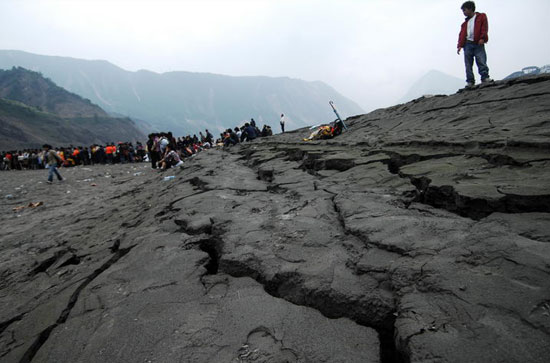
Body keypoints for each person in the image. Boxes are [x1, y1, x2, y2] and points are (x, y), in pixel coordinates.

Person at [457, 1, 492, 87]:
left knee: (481, 60)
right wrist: (460, 45)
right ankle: (470, 81)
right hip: (467, 44)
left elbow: (484, 28)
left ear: (470, 9)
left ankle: (485, 77)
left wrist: (482, 38)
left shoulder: (481, 17)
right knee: (468, 64)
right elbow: (461, 34)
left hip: (478, 42)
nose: (464, 13)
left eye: (464, 10)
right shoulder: (465, 23)